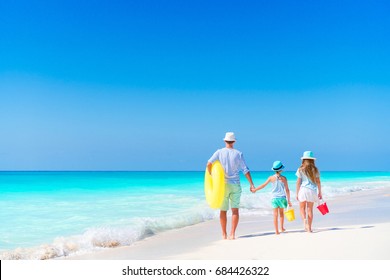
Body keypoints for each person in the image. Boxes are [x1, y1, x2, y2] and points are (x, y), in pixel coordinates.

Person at [207, 132, 255, 240]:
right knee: (235, 210)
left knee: (223, 210)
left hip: (223, 186)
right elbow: (245, 170)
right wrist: (251, 184)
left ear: (225, 141)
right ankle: (232, 234)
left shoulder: (219, 152)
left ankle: (224, 234)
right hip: (235, 185)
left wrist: (211, 176)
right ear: (234, 141)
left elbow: (208, 164)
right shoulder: (238, 153)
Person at [251, 161, 292, 234]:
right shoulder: (284, 178)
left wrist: (255, 189)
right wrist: (289, 200)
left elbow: (263, 185)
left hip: (274, 199)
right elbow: (287, 190)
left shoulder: (271, 178)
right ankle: (282, 228)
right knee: (281, 214)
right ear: (281, 169)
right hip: (282, 198)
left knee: (275, 215)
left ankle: (276, 231)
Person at [296, 151, 322, 233]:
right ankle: (309, 229)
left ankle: (304, 220)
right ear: (312, 160)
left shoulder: (300, 169)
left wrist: (297, 193)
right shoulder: (315, 170)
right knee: (310, 209)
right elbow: (318, 182)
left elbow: (298, 182)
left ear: (303, 160)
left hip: (303, 190)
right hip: (312, 191)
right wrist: (320, 192)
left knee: (301, 208)